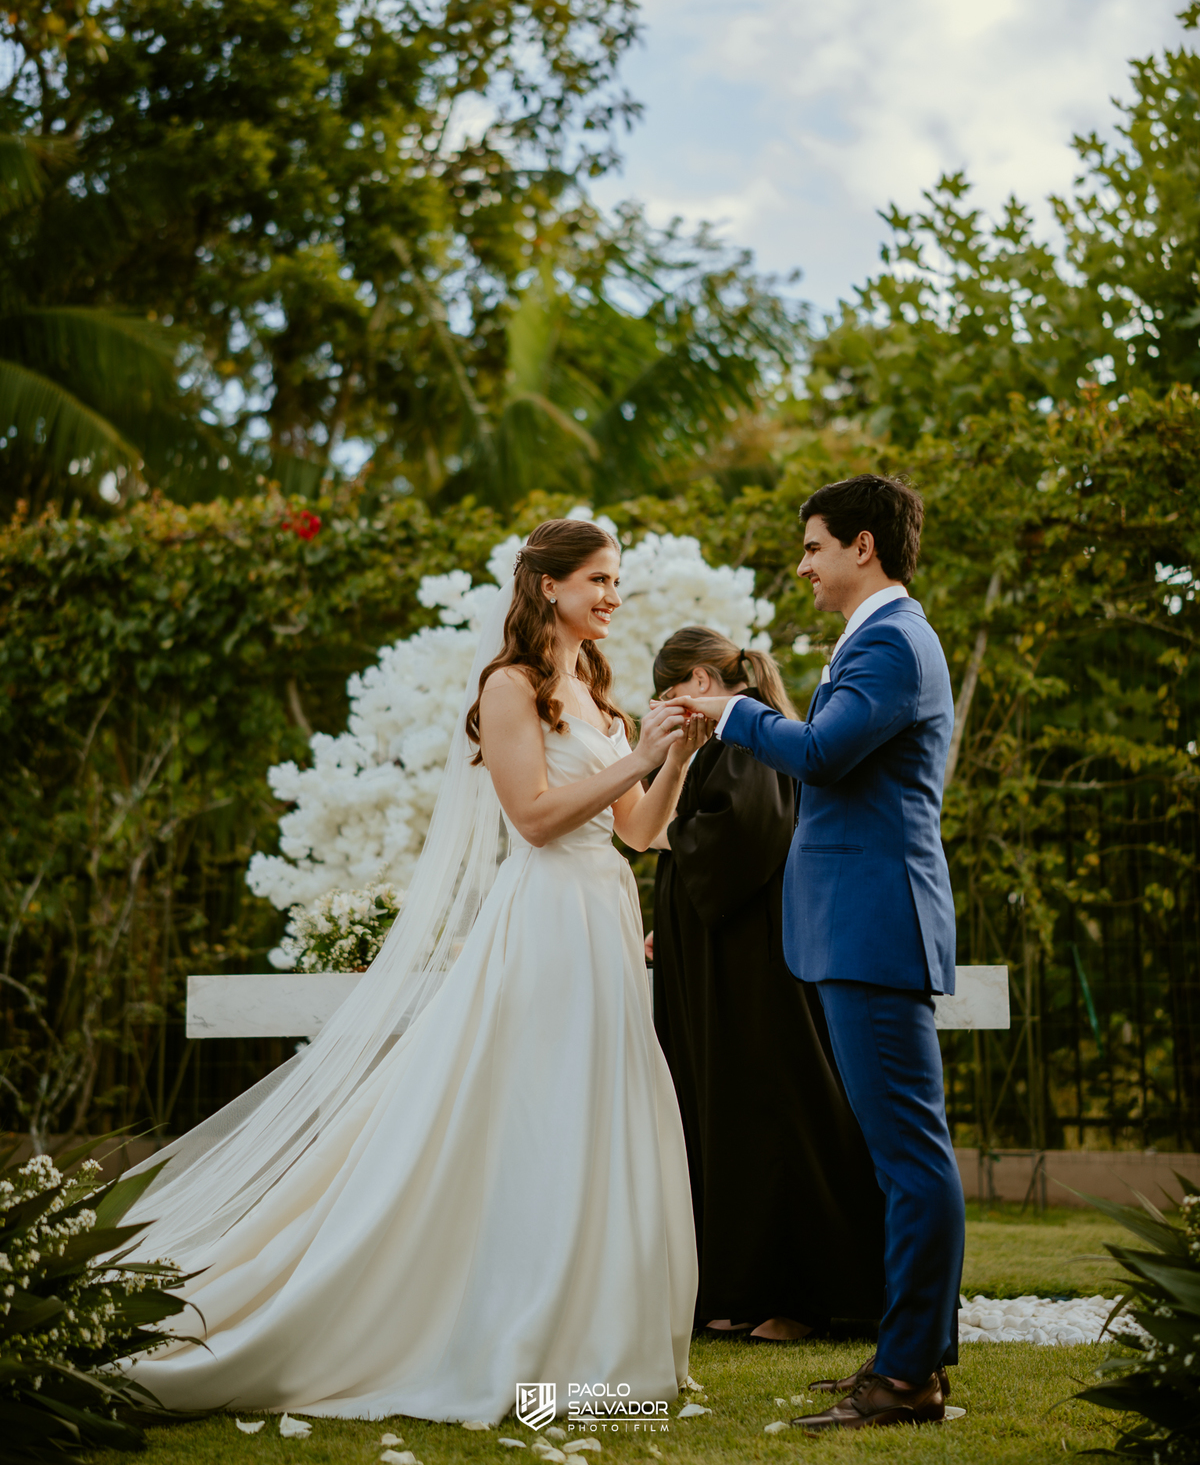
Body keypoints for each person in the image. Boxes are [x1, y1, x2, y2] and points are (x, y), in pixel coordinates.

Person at [123, 518, 703, 1424]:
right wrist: (636, 755)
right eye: (597, 580)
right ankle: (500, 1328)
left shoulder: (601, 695)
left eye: (617, 581)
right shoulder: (511, 688)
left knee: (600, 1106)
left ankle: (590, 1354)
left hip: (607, 921)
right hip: (547, 922)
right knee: (538, 1114)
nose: (613, 598)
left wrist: (673, 760)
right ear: (548, 587)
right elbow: (537, 820)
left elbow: (639, 832)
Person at [670, 474, 965, 1433]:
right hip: (858, 928)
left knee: (909, 1158)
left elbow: (826, 754)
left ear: (862, 548)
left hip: (876, 928)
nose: (802, 567)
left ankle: (909, 1377)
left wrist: (733, 711)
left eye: (812, 548)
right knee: (897, 1157)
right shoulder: (879, 638)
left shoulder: (890, 640)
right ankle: (904, 1360)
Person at [647, 627, 884, 1344]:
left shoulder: (749, 736)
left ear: (694, 680)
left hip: (758, 971)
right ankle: (743, 1291)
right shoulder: (741, 736)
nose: (663, 709)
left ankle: (804, 1299)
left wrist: (663, 836)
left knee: (775, 1112)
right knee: (734, 1118)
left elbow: (744, 835)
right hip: (732, 963)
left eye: (665, 695)